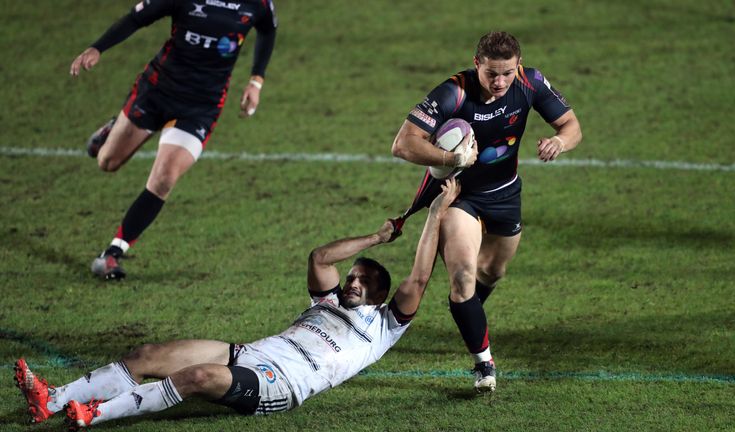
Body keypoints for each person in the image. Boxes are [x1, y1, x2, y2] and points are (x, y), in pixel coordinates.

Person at [13, 180, 462, 428]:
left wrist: (439, 211)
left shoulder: (385, 326)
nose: (352, 283)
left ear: (381, 295)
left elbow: (420, 276)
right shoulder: (326, 301)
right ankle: (51, 401)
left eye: (362, 281)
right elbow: (321, 257)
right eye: (353, 277)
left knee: (197, 377)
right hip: (251, 353)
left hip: (281, 384)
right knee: (147, 355)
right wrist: (377, 237)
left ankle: (94, 414)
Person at [391, 31, 582, 393]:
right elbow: (403, 144)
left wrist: (559, 141)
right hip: (460, 196)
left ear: (518, 66)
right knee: (463, 278)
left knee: (493, 271)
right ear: (476, 63)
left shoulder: (530, 82)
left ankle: (468, 316)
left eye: (507, 73)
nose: (499, 82)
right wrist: (452, 158)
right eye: (491, 73)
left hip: (506, 195)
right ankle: (484, 364)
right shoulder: (454, 92)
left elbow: (572, 126)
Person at [70, 0, 278, 280]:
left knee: (165, 177)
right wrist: (97, 47)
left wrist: (256, 80)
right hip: (157, 91)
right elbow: (136, 18)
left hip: (201, 107)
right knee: (107, 162)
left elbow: (267, 30)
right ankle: (114, 127)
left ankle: (112, 253)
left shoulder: (258, 3)